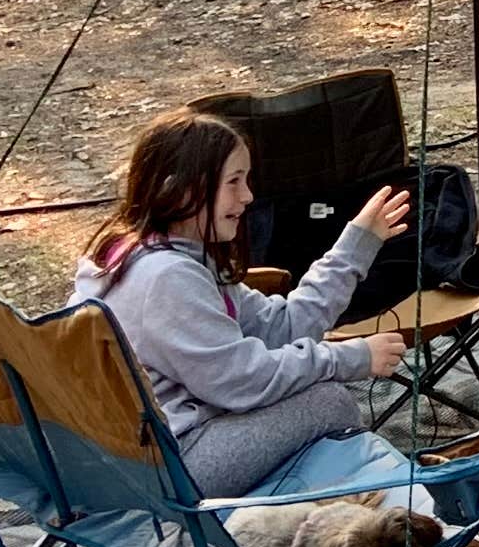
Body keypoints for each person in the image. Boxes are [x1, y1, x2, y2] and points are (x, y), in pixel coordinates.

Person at [71, 105, 421, 500]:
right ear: (180, 189)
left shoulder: (161, 254)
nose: (249, 196)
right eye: (234, 182)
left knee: (316, 393)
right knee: (329, 402)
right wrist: (346, 359)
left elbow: (284, 328)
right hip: (163, 469)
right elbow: (241, 383)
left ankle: (337, 506)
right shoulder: (166, 278)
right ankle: (347, 515)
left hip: (146, 451)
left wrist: (355, 246)